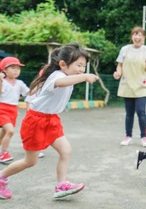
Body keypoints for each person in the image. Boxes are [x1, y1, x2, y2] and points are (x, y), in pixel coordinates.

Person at [0, 43, 99, 200]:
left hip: (52, 120)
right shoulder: (58, 76)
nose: (81, 69)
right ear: (62, 64)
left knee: (65, 151)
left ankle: (61, 185)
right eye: (79, 65)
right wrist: (85, 77)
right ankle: (2, 177)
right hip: (36, 121)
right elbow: (60, 83)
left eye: (84, 67)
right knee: (30, 161)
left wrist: (81, 75)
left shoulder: (65, 76)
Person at [113, 26, 146, 148]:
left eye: (140, 35)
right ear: (132, 37)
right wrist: (118, 73)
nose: (137, 37)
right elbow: (119, 65)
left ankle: (144, 137)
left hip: (142, 85)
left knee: (141, 111)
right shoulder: (125, 49)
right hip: (127, 84)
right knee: (129, 113)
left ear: (144, 37)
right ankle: (128, 136)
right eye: (135, 34)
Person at [0, 57, 29, 163]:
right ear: (4, 70)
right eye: (13, 68)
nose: (16, 70)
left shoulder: (19, 83)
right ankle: (3, 153)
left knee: (4, 132)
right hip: (2, 109)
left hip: (13, 110)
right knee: (10, 131)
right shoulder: (2, 81)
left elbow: (28, 93)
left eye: (18, 68)